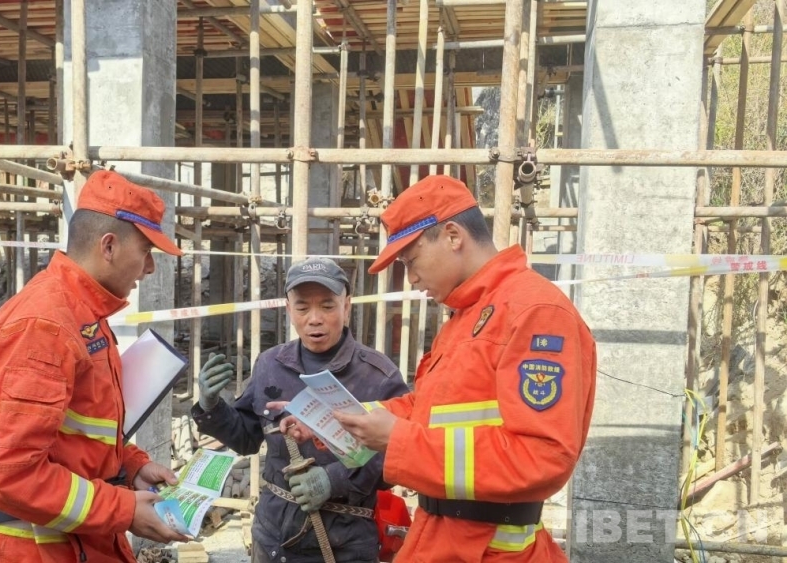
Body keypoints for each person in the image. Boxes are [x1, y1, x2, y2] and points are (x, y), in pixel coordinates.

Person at [334, 174, 597, 562]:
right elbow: (429, 409)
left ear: (453, 236)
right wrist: (345, 418)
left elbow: (542, 457)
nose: (412, 278)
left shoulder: (534, 312)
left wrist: (399, 440)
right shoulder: (468, 316)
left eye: (411, 260)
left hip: (490, 551)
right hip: (441, 539)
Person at [0, 170, 189, 563]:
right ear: (109, 246)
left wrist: (131, 466)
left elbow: (77, 436)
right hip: (38, 551)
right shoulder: (44, 326)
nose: (150, 268)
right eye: (145, 251)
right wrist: (123, 509)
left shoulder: (84, 318)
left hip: (80, 544)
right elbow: (7, 473)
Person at [192, 257, 410, 563]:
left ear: (347, 306)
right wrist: (210, 406)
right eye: (303, 307)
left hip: (343, 543)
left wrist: (334, 479)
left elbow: (401, 455)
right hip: (272, 538)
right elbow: (246, 438)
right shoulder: (270, 364)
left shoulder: (377, 376)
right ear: (288, 309)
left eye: (328, 306)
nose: (315, 319)